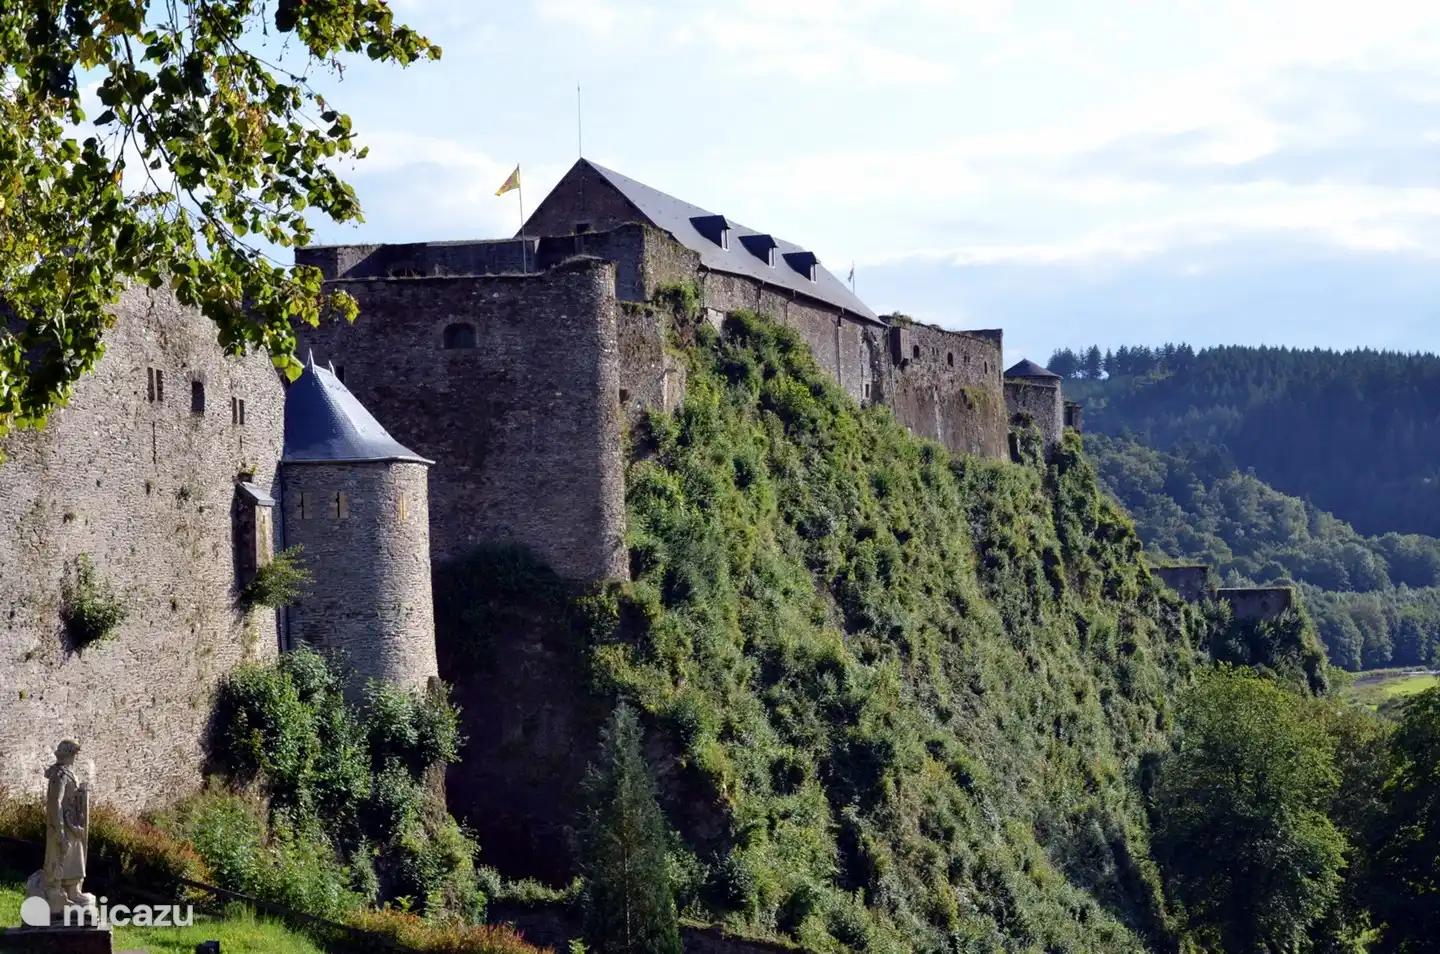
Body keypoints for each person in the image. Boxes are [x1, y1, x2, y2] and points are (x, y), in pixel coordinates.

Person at [26, 739, 95, 916]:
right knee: (63, 856)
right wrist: (60, 829)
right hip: (63, 822)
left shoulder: (66, 772)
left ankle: (72, 890)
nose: (75, 757)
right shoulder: (60, 775)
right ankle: (63, 893)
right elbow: (55, 802)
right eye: (74, 754)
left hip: (71, 821)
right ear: (69, 754)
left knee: (75, 854)